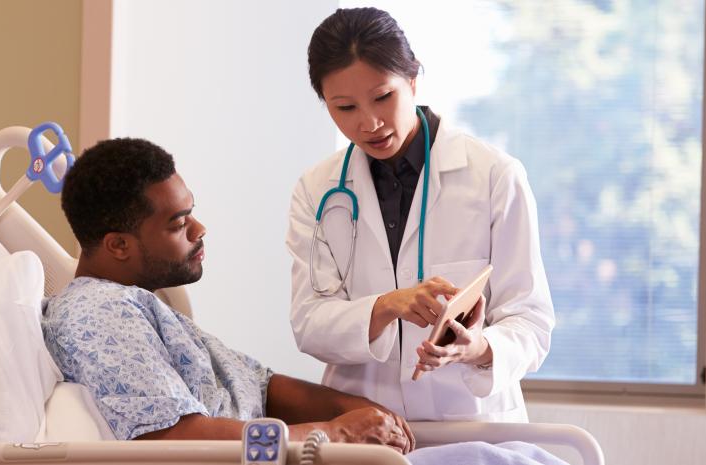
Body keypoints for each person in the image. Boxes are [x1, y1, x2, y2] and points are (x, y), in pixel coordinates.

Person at [41, 137, 414, 453]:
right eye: (179, 223)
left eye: (191, 212)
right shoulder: (100, 313)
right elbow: (176, 440)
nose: (199, 229)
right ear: (118, 245)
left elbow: (260, 387)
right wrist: (335, 434)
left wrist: (358, 409)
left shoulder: (141, 305)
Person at [286, 7, 555, 422]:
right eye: (345, 107)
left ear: (412, 79)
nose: (369, 123)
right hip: (366, 425)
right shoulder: (317, 190)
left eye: (382, 97)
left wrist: (478, 348)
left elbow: (530, 320)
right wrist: (386, 306)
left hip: (471, 426)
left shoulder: (494, 176)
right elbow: (309, 323)